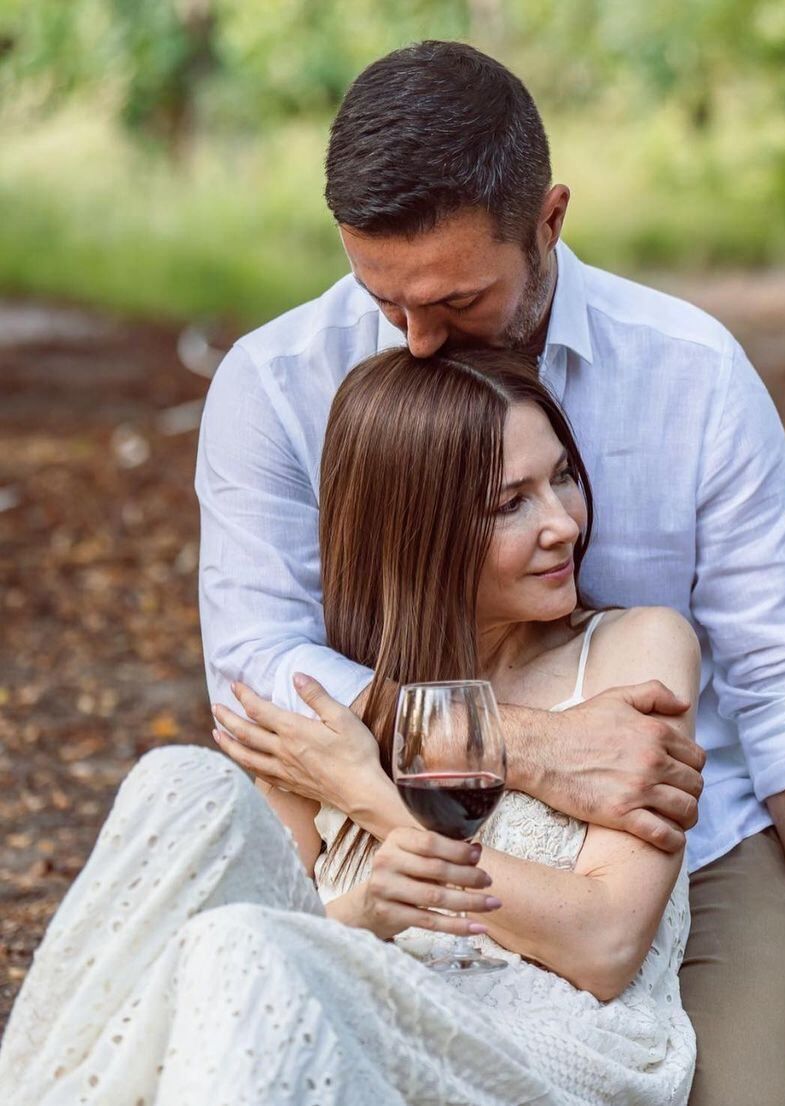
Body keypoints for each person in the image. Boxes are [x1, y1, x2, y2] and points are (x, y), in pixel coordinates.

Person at [194, 40, 785, 1106]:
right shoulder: (274, 384)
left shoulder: (691, 374)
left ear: (548, 222)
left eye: (457, 300)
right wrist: (523, 749)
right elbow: (258, 671)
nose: (416, 341)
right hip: (385, 824)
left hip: (672, 837)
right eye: (384, 298)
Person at [0, 347, 700, 1104]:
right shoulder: (340, 693)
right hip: (347, 1012)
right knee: (183, 785)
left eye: (562, 477)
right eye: (511, 504)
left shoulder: (635, 650)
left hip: (546, 1042)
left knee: (242, 945)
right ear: (419, 532)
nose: (562, 523)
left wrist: (374, 797)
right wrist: (367, 911)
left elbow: (606, 946)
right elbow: (265, 935)